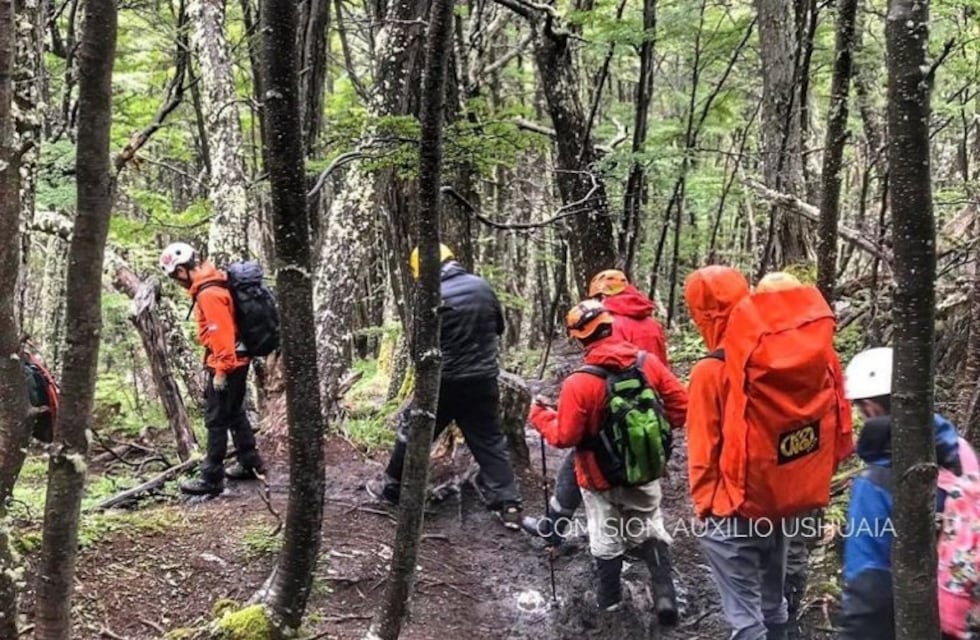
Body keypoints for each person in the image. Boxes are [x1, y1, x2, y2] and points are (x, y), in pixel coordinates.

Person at [684, 266, 850, 640]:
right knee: (773, 605)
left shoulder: (711, 370)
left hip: (734, 507)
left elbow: (703, 449)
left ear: (700, 314)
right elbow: (835, 425)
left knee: (745, 620)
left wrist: (707, 509)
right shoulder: (806, 358)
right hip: (781, 500)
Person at [529, 299, 688, 624]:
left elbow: (565, 437)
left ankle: (610, 605)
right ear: (610, 325)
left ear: (578, 337)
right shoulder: (648, 363)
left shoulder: (580, 382)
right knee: (649, 526)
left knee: (606, 538)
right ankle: (665, 596)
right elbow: (681, 407)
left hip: (599, 477)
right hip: (645, 471)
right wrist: (649, 437)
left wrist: (540, 417)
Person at [368, 244, 523, 529]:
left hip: (444, 384)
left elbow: (420, 347)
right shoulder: (482, 287)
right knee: (489, 439)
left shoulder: (430, 298)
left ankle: (392, 488)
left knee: (412, 431)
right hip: (483, 379)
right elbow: (498, 327)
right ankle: (509, 504)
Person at [522, 269, 670, 545]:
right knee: (641, 471)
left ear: (602, 296)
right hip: (647, 409)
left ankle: (557, 527)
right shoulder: (652, 324)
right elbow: (661, 369)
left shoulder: (611, 322)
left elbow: (607, 368)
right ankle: (641, 546)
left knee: (586, 456)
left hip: (612, 409)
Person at [838, 346, 972, 640]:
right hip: (967, 613)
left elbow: (868, 583)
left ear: (871, 408)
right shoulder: (960, 452)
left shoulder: (875, 483)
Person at [754, 271, 855, 636]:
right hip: (812, 465)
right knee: (795, 544)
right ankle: (786, 614)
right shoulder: (822, 350)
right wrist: (834, 456)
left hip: (768, 470)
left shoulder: (752, 350)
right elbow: (840, 408)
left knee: (768, 544)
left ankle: (772, 616)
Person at [159, 242, 266, 496]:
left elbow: (221, 335)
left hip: (228, 362)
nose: (178, 282)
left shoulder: (209, 293)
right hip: (236, 359)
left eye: (175, 277)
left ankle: (211, 478)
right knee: (234, 412)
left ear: (183, 270)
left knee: (216, 419)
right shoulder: (214, 282)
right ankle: (250, 462)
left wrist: (220, 370)